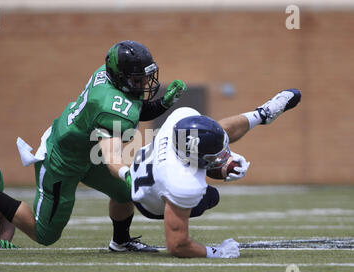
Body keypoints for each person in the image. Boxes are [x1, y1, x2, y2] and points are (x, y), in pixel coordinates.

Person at [0, 40, 187, 251]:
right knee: (45, 235)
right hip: (63, 159)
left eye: (146, 76)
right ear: (121, 78)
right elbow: (112, 157)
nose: (145, 82)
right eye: (138, 79)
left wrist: (164, 103)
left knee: (125, 194)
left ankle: (121, 242)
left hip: (86, 149)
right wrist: (128, 173)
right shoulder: (109, 106)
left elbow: (132, 107)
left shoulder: (109, 76)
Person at [126, 88, 301, 258]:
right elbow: (177, 245)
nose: (226, 155)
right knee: (211, 196)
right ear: (196, 160)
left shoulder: (181, 118)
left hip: (146, 166)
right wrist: (218, 253)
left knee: (210, 133)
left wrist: (222, 165)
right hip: (149, 202)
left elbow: (208, 142)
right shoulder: (182, 183)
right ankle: (260, 116)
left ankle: (261, 114)